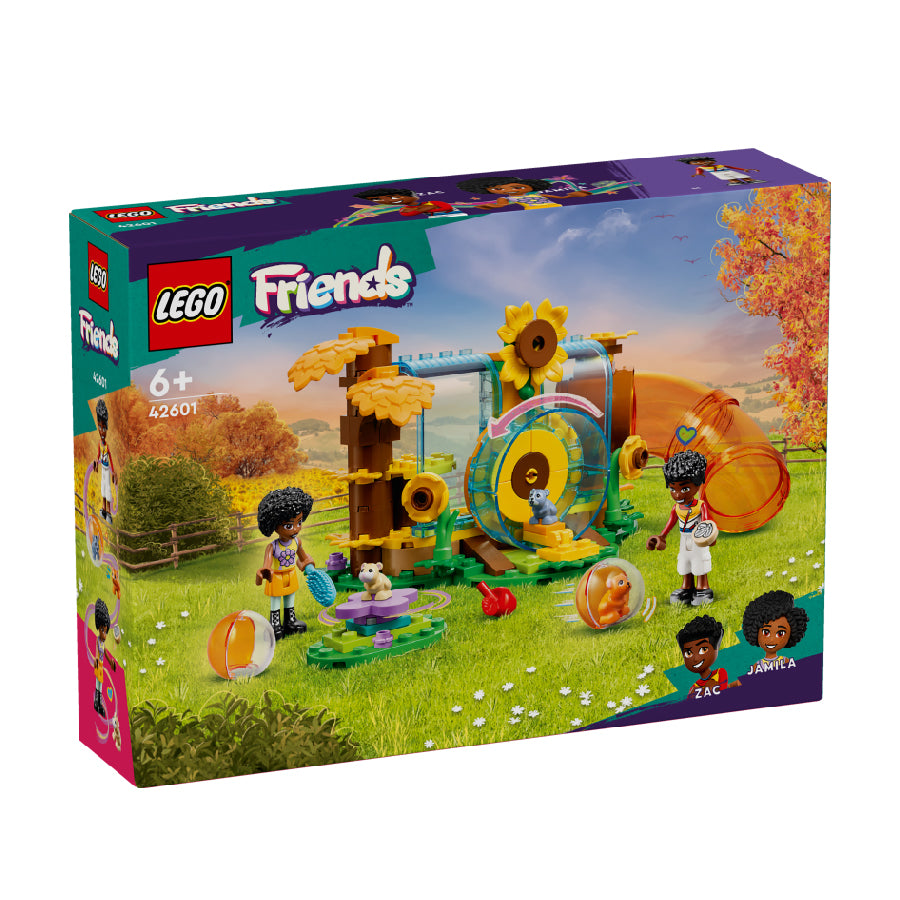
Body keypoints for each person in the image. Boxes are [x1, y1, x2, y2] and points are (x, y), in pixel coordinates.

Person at [256, 487, 335, 639]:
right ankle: (275, 625)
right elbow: (267, 563)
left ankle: (290, 621)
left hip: (291, 575)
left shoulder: (297, 542)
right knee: (275, 600)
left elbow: (303, 557)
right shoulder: (272, 547)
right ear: (274, 526)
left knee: (290, 598)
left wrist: (309, 567)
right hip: (276, 577)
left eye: (299, 523)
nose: (295, 529)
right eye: (289, 526)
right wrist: (265, 571)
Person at [646, 450, 715, 605]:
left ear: (698, 484)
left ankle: (703, 587)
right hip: (684, 539)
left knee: (699, 561)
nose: (677, 495)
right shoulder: (676, 508)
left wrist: (709, 536)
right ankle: (687, 587)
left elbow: (707, 523)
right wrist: (661, 536)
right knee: (684, 561)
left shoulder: (700, 506)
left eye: (684, 489)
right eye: (672, 489)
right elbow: (670, 523)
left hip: (698, 539)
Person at [742, 590, 809, 674]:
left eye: (780, 633)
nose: (771, 639)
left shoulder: (785, 662)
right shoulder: (758, 665)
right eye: (766, 632)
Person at [676, 615, 740, 699]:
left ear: (716, 647)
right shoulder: (694, 687)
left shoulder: (719, 673)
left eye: (703, 649)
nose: (695, 658)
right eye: (688, 653)